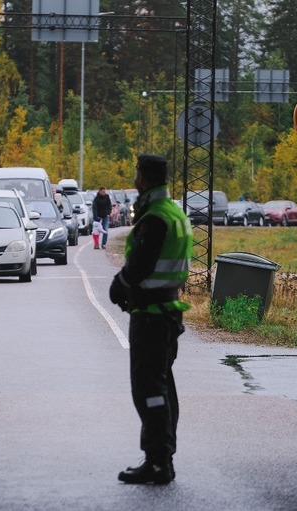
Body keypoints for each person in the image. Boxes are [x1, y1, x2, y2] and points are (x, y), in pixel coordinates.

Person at [109, 154, 193, 485]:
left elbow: (141, 263)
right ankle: (160, 457)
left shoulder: (156, 217)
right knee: (162, 385)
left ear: (143, 177)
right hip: (167, 311)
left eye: (136, 173)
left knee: (149, 388)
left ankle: (159, 462)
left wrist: (120, 284)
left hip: (151, 315)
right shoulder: (175, 213)